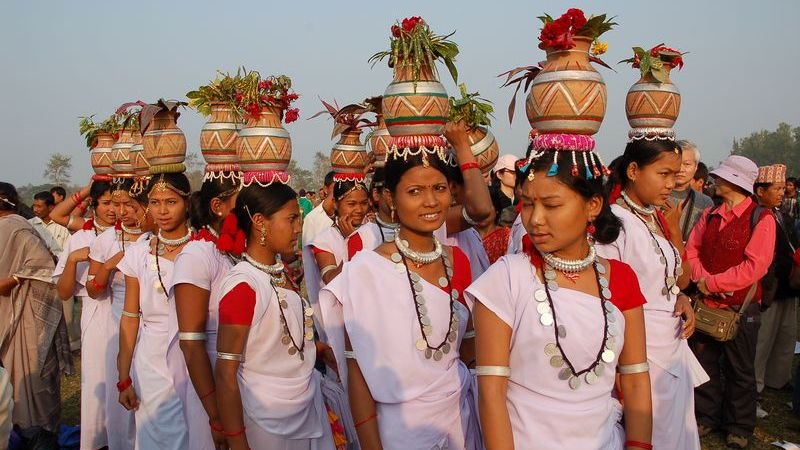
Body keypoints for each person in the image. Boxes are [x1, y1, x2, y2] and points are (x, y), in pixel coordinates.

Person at [468, 141, 652, 449]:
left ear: (592, 206)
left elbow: (634, 381)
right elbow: (491, 394)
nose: (535, 219)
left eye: (551, 205)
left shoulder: (620, 279)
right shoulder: (506, 278)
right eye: (527, 204)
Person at [319, 143, 481, 450]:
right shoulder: (368, 271)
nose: (431, 201)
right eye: (415, 191)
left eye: (439, 188)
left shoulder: (457, 260)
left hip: (459, 421)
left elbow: (470, 354)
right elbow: (358, 372)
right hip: (397, 431)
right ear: (391, 198)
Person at [598, 139, 704, 450]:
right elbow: (608, 302)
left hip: (672, 345)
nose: (672, 184)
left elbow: (680, 280)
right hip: (638, 349)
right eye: (664, 174)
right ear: (633, 170)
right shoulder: (614, 223)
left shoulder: (656, 216)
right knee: (650, 430)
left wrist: (681, 298)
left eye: (675, 174)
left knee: (676, 429)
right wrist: (617, 366)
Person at [214, 182, 335, 449]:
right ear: (260, 222)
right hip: (264, 421)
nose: (298, 228)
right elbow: (225, 374)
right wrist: (237, 443)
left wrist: (316, 348)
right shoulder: (244, 285)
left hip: (304, 407)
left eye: (299, 219)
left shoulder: (278, 273)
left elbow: (271, 338)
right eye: (291, 219)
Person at [686, 155, 776, 449]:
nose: (715, 181)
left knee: (740, 370)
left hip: (741, 309)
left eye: (721, 178)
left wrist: (713, 283)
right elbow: (692, 250)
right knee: (705, 363)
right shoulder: (711, 214)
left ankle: (739, 426)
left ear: (735, 182)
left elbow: (755, 266)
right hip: (709, 306)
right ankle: (706, 416)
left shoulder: (761, 218)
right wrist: (701, 279)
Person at [116, 173, 194, 449]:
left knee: (194, 432)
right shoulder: (138, 255)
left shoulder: (206, 249)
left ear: (186, 203)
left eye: (171, 202)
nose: (162, 210)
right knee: (155, 435)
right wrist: (123, 377)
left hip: (194, 357)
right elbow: (129, 318)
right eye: (155, 202)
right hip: (151, 361)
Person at [170, 173, 240, 450]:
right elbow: (190, 343)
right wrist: (215, 416)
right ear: (218, 206)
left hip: (238, 379)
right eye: (242, 201)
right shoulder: (197, 255)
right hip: (210, 382)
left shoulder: (234, 251)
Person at [0, 182, 73, 441]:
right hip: (9, 314)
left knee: (33, 374)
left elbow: (43, 264)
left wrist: (11, 281)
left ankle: (38, 433)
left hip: (28, 313)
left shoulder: (17, 227)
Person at [86, 179, 151, 450]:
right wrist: (112, 265)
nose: (122, 210)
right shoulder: (106, 240)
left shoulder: (155, 238)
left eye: (129, 204)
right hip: (118, 324)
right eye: (116, 204)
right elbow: (92, 289)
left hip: (152, 326)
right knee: (122, 398)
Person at [53, 180, 116, 353]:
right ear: (93, 204)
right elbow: (64, 293)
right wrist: (73, 260)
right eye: (106, 203)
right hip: (95, 312)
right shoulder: (82, 236)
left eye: (117, 203)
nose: (113, 209)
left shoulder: (134, 235)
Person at [753, 165, 798, 396]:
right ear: (760, 191)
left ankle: (778, 379)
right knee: (763, 339)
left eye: (783, 188)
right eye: (777, 188)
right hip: (768, 286)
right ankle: (755, 386)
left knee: (785, 336)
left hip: (787, 286)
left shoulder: (783, 215)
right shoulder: (756, 215)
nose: (782, 193)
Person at [669, 140, 714, 243]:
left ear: (696, 167)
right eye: (677, 163)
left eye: (687, 164)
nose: (681, 169)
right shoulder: (654, 196)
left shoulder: (705, 203)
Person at [29, 191, 70, 258]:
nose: (35, 210)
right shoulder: (28, 224)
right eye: (34, 206)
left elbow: (68, 252)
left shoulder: (62, 226)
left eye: (39, 206)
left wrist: (55, 257)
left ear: (50, 207)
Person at [489, 154, 517, 221]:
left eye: (518, 172)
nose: (517, 175)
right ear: (499, 175)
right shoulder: (492, 199)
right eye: (513, 172)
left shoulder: (522, 198)